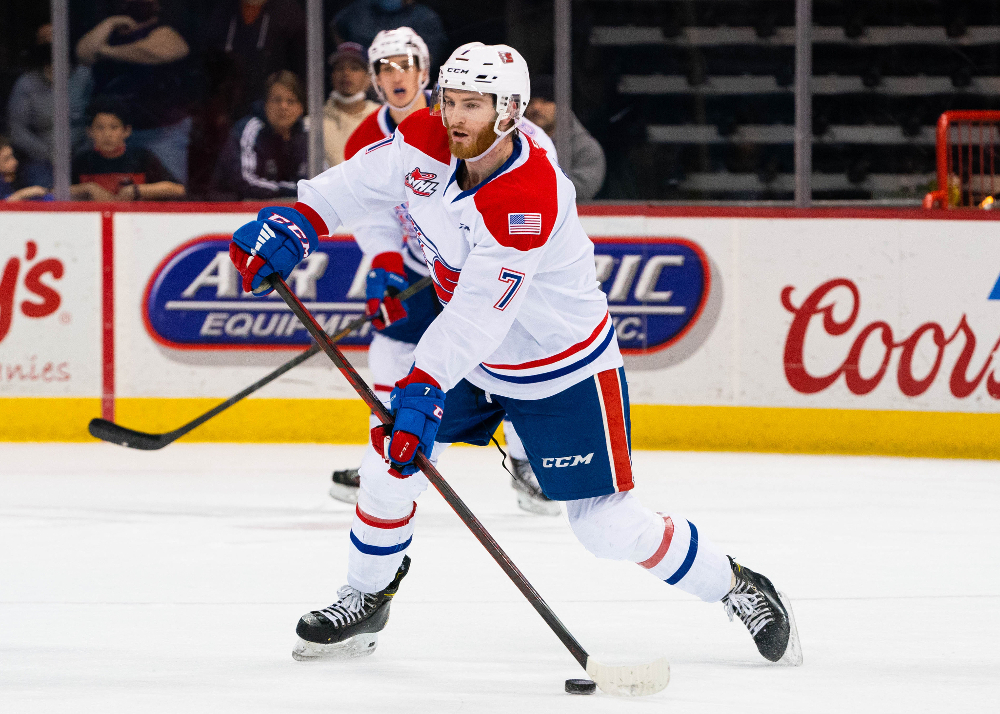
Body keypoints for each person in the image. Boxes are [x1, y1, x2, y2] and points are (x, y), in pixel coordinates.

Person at [227, 43, 803, 667]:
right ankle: (366, 598)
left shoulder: (530, 194)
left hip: (561, 368)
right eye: (450, 99)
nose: (455, 116)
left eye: (473, 105)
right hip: (473, 361)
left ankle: (736, 585)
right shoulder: (425, 138)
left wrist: (423, 384)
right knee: (387, 458)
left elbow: (479, 313)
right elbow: (359, 184)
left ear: (510, 111)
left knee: (606, 527)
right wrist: (296, 220)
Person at [329, 31, 561, 516]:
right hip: (418, 265)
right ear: (374, 79)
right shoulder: (364, 137)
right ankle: (392, 451)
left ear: (424, 72)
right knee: (391, 347)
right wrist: (384, 260)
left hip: (483, 270)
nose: (396, 76)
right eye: (385, 67)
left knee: (505, 360)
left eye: (404, 65)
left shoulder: (508, 136)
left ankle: (524, 462)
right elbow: (369, 209)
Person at [76, 0, 192, 185]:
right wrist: (110, 22)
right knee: (105, 192)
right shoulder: (108, 28)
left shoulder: (166, 25)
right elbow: (83, 53)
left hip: (160, 132)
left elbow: (155, 52)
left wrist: (105, 51)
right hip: (110, 133)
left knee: (167, 194)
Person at [6, 23, 93, 189]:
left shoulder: (84, 78)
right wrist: (51, 154)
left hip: (84, 154)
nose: (51, 44)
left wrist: (84, 150)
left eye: (55, 38)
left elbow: (96, 119)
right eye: (45, 41)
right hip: (43, 160)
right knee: (41, 188)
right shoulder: (26, 84)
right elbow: (17, 130)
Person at [210, 71, 308, 201]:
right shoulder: (249, 129)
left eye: (291, 101)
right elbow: (244, 181)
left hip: (288, 209)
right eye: (277, 100)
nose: (283, 107)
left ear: (300, 108)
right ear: (266, 104)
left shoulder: (307, 135)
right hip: (233, 211)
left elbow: (319, 180)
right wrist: (290, 191)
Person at [205, 0, 307, 121]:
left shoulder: (289, 14)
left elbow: (302, 75)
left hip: (273, 121)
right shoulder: (222, 12)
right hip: (226, 118)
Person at [70, 97, 185, 201]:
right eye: (100, 128)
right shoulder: (81, 162)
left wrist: (137, 191)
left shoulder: (142, 158)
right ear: (90, 132)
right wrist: (88, 188)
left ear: (126, 131)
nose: (107, 134)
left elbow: (178, 189)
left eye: (114, 127)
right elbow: (53, 192)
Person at [523, 74, 606, 201]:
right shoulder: (509, 142)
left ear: (562, 107)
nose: (536, 107)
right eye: (531, 102)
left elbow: (584, 190)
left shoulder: (585, 147)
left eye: (545, 101)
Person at [330, 0, 447, 78]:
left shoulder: (425, 18)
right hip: (363, 82)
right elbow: (336, 25)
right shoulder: (360, 9)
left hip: (404, 80)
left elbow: (429, 58)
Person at [322, 42, 380, 167]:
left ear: (369, 77)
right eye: (340, 68)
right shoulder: (315, 122)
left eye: (354, 68)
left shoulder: (382, 119)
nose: (346, 73)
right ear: (332, 75)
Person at [0, 136, 51, 202]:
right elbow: (3, 206)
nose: (15, 162)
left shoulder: (16, 178)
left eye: (12, 156)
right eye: (6, 159)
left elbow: (44, 196)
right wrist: (21, 195)